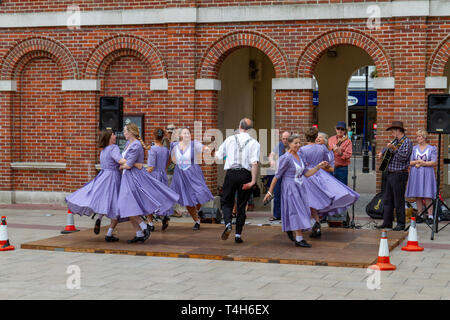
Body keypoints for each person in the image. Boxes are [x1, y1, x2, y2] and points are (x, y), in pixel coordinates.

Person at [264, 134, 329, 248]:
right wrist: (270, 192)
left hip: (300, 186)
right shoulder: (286, 158)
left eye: (299, 143)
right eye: (295, 143)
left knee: (304, 211)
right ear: (289, 144)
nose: (298, 145)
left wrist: (319, 166)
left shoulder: (299, 155)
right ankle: (299, 239)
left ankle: (292, 229)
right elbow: (277, 176)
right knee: (298, 212)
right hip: (290, 188)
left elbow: (307, 173)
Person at [65, 129, 130, 242]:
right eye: (113, 134)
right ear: (109, 137)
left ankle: (99, 217)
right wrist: (131, 162)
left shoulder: (103, 150)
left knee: (103, 199)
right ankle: (109, 233)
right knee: (116, 204)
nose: (115, 136)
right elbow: (119, 160)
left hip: (103, 176)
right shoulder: (113, 148)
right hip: (113, 177)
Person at [118, 123, 179, 243]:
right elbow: (167, 163)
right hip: (160, 174)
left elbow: (129, 165)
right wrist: (133, 164)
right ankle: (140, 232)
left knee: (134, 203)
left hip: (139, 176)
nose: (124, 133)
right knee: (133, 205)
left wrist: (125, 164)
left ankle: (147, 225)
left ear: (131, 132)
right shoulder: (164, 149)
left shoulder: (141, 146)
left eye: (125, 131)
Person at [299, 127, 360, 237]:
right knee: (317, 201)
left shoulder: (302, 150)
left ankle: (313, 225)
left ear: (306, 137)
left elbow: (301, 166)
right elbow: (329, 161)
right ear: (316, 137)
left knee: (309, 202)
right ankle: (315, 224)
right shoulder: (322, 148)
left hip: (308, 176)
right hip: (320, 175)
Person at [216, 118, 260, 244]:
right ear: (250, 129)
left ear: (239, 126)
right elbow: (254, 163)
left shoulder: (230, 139)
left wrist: (219, 155)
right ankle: (238, 234)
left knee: (226, 201)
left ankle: (228, 223)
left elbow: (219, 156)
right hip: (245, 174)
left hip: (231, 173)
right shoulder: (254, 143)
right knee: (242, 205)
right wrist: (253, 181)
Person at [169, 127, 214, 230]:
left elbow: (203, 148)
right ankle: (196, 221)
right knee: (186, 198)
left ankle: (197, 210)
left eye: (188, 133)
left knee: (201, 192)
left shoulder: (194, 144)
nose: (187, 135)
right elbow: (170, 157)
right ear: (180, 136)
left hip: (194, 173)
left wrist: (207, 149)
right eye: (185, 133)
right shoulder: (174, 145)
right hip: (180, 175)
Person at [376, 121, 413, 231]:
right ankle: (387, 222)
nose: (391, 132)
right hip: (390, 173)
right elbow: (387, 149)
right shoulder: (395, 141)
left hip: (400, 174)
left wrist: (394, 149)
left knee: (398, 200)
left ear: (398, 130)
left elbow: (404, 157)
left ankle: (401, 223)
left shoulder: (407, 142)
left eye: (393, 130)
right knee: (388, 199)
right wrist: (382, 152)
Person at [405, 129, 437, 224]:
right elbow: (410, 162)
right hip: (416, 174)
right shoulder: (414, 149)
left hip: (427, 174)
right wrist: (417, 162)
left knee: (428, 195)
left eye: (420, 136)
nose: (418, 138)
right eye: (417, 136)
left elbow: (433, 162)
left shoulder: (431, 148)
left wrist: (422, 163)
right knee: (418, 195)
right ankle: (420, 214)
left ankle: (430, 216)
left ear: (424, 138)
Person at [146, 128, 172, 231]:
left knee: (149, 198)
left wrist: (143, 173)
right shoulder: (165, 149)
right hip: (162, 174)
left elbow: (151, 166)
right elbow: (169, 161)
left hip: (153, 176)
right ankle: (164, 216)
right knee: (162, 197)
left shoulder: (153, 149)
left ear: (153, 136)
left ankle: (150, 223)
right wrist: (164, 168)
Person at [267, 131, 290, 221]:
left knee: (288, 195)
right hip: (279, 173)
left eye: (286, 139)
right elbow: (271, 155)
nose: (284, 141)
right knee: (277, 193)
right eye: (283, 139)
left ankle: (288, 215)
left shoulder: (292, 145)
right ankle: (277, 215)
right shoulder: (279, 145)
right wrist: (272, 161)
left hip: (289, 174)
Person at [328, 121, 352, 185]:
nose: (340, 130)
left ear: (345, 131)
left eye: (342, 129)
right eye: (338, 128)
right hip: (330, 168)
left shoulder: (348, 141)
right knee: (331, 188)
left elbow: (348, 155)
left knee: (343, 189)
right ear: (336, 129)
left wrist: (340, 153)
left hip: (341, 169)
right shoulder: (330, 139)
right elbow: (326, 152)